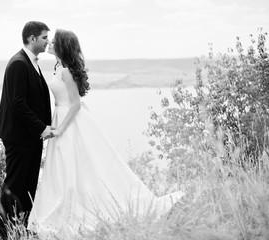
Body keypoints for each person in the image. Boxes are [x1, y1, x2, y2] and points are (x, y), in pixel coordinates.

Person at [27, 29, 184, 238]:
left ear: (62, 46)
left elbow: (75, 104)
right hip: (61, 118)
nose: (50, 43)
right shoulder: (58, 66)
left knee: (73, 166)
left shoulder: (66, 71)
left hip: (68, 122)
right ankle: (64, 212)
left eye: (54, 41)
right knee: (64, 168)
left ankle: (76, 213)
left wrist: (61, 128)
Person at [0, 21, 54, 240]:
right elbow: (17, 103)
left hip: (31, 136)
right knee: (14, 185)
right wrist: (42, 127)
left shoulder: (31, 62)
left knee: (28, 185)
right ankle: (6, 234)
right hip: (19, 137)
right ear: (32, 38)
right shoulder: (18, 63)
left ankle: (22, 228)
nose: (48, 41)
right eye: (45, 37)